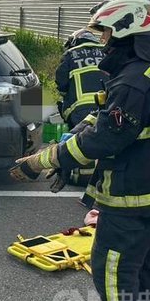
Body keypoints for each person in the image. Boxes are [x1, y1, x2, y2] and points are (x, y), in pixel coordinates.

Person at [11, 0, 150, 301]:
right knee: (144, 271)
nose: (104, 40)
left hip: (134, 197)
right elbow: (107, 117)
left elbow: (107, 136)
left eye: (108, 32)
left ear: (125, 31)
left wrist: (43, 160)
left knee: (112, 273)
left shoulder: (132, 82)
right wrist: (68, 150)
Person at [55, 27, 108, 186]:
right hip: (106, 104)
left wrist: (65, 95)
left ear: (74, 41)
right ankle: (105, 177)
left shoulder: (71, 54)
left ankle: (82, 178)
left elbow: (61, 81)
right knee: (105, 138)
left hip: (80, 109)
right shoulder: (107, 51)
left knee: (82, 142)